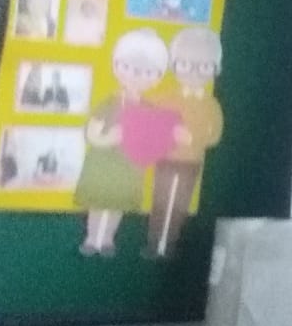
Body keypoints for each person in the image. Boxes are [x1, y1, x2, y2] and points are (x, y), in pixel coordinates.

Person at [74, 28, 168, 257]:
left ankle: (107, 239)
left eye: (146, 72)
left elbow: (153, 140)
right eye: (129, 68)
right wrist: (108, 138)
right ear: (117, 66)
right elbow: (92, 132)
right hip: (104, 163)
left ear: (157, 77)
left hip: (128, 166)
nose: (136, 76)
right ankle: (92, 238)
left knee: (116, 205)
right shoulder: (109, 102)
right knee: (99, 202)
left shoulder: (149, 109)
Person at [144, 27, 224, 259]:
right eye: (186, 65)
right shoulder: (167, 98)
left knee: (180, 203)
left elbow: (214, 135)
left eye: (204, 67)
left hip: (191, 161)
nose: (195, 72)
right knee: (161, 199)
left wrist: (194, 138)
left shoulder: (210, 105)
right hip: (166, 158)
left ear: (215, 69)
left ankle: (169, 243)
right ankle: (154, 242)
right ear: (174, 65)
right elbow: (148, 118)